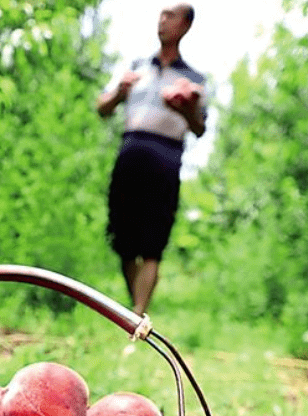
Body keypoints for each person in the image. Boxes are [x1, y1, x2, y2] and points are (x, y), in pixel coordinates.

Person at [97, 3, 207, 316]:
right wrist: (119, 93)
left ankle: (138, 312)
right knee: (123, 239)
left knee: (153, 243)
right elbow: (102, 108)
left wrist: (185, 109)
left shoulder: (195, 80)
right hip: (130, 153)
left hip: (166, 159)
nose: (162, 21)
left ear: (185, 25)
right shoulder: (136, 67)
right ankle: (136, 309)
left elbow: (200, 128)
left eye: (170, 16)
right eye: (160, 15)